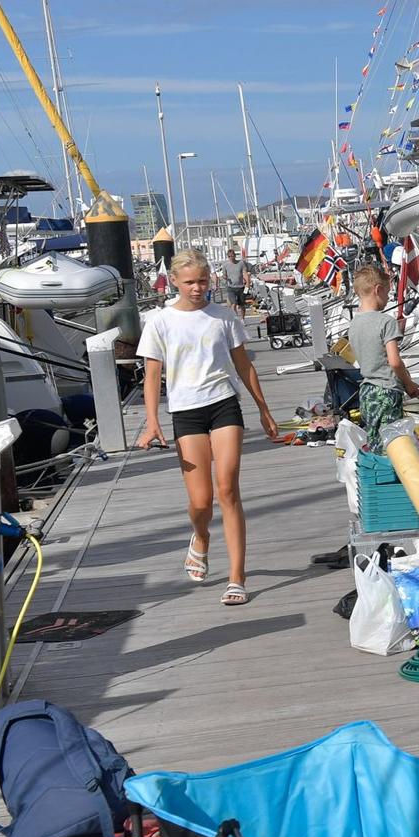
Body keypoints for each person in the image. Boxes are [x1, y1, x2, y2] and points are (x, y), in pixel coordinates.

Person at [135, 248, 279, 607]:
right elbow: (152, 376)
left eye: (202, 281)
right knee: (200, 502)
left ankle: (237, 577)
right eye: (189, 283)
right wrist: (152, 422)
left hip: (223, 405)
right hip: (185, 411)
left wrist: (264, 409)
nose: (197, 288)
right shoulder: (160, 322)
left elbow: (244, 365)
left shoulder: (224, 317)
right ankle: (200, 537)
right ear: (175, 282)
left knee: (227, 489)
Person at [349, 264, 419, 440]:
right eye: (388, 293)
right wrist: (409, 384)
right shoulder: (386, 322)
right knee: (393, 443)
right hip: (387, 391)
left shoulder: (354, 323)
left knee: (375, 441)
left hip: (367, 391)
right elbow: (394, 362)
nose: (388, 297)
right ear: (378, 289)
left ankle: (373, 468)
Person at [220, 248, 248, 314]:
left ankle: (242, 319)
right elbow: (224, 275)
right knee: (233, 304)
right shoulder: (225, 265)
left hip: (240, 287)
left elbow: (245, 273)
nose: (231, 257)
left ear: (235, 256)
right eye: (229, 256)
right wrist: (225, 277)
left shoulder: (241, 263)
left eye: (232, 256)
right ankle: (235, 318)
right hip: (231, 287)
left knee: (241, 304)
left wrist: (247, 283)